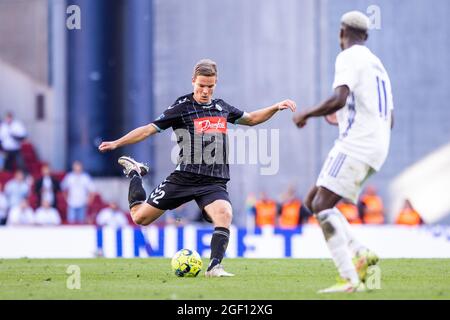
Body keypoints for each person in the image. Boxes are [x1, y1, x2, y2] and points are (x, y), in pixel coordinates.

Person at [99, 59, 296, 277]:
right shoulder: (182, 107)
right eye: (201, 85)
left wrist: (276, 107)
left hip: (213, 182)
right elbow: (148, 130)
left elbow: (251, 119)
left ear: (215, 84)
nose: (205, 91)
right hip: (184, 178)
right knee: (140, 218)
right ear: (193, 81)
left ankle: (214, 267)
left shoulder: (221, 107)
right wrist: (117, 143)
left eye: (209, 86)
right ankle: (135, 172)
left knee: (224, 213)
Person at [293, 11, 393, 293]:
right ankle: (360, 251)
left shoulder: (348, 57)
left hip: (356, 144)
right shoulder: (377, 65)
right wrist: (347, 114)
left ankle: (350, 279)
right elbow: (388, 116)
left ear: (342, 32)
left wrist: (307, 114)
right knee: (314, 200)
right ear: (366, 35)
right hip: (377, 146)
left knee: (322, 205)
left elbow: (338, 97)